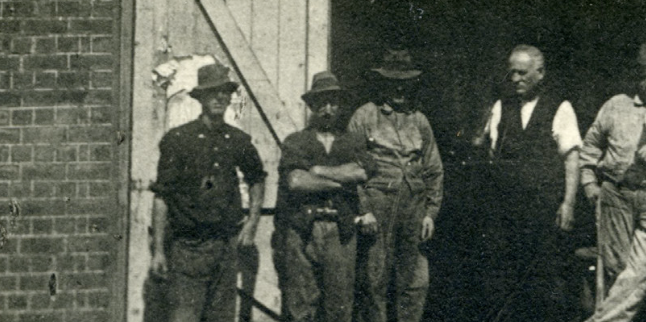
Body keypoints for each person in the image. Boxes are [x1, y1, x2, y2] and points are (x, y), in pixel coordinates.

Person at [577, 40, 646, 322]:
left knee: (644, 271)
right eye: (643, 77)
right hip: (616, 195)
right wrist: (589, 182)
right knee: (617, 267)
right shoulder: (616, 106)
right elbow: (590, 146)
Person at [152, 62, 270, 322]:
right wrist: (159, 250)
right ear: (201, 97)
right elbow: (162, 196)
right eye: (213, 92)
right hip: (188, 248)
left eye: (225, 92)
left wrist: (251, 223)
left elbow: (257, 178)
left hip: (225, 248)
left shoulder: (237, 140)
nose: (219, 97)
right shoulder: (179, 139)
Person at [477, 45, 583, 322]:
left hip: (544, 213)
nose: (515, 79)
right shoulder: (502, 106)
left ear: (540, 73)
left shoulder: (560, 108)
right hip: (506, 214)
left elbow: (572, 159)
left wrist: (568, 204)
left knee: (545, 282)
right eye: (512, 72)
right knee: (505, 281)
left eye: (522, 73)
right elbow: (491, 153)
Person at [349, 49, 444, 322]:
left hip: (414, 207)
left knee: (415, 281)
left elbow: (434, 168)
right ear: (382, 82)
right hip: (378, 204)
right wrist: (363, 209)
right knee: (374, 278)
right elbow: (353, 169)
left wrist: (430, 213)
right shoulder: (364, 116)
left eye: (405, 81)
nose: (399, 87)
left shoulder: (420, 120)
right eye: (393, 81)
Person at [278, 71, 367, 322]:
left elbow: (362, 172)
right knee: (301, 307)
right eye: (321, 103)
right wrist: (340, 182)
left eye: (333, 103)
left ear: (339, 106)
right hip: (304, 230)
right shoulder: (296, 141)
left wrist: (317, 172)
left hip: (341, 231)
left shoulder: (352, 141)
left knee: (340, 308)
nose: (328, 109)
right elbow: (296, 182)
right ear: (312, 106)